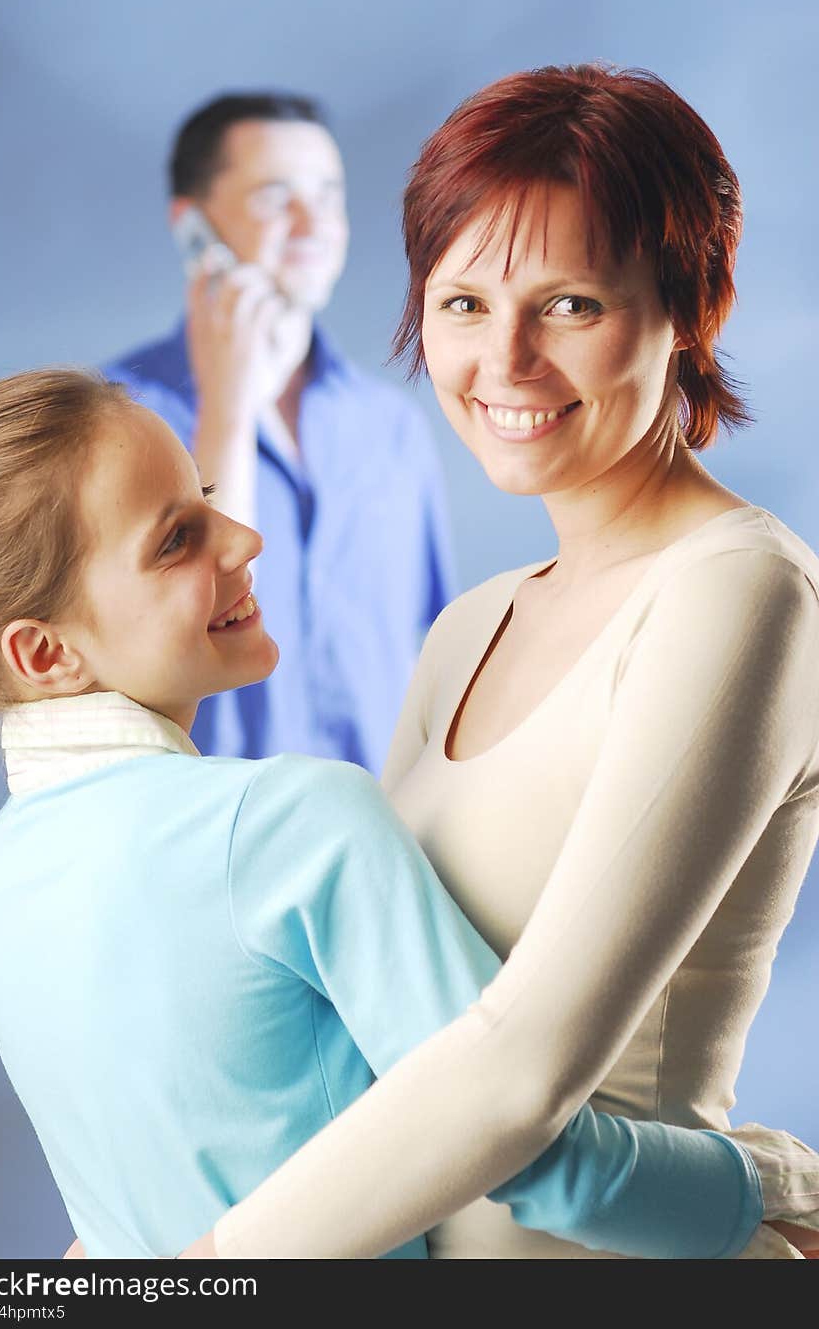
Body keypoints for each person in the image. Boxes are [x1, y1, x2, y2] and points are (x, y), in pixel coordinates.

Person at [171, 63, 819, 1260]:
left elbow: (519, 1075)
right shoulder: (467, 625)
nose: (505, 360)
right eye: (463, 303)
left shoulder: (741, 591)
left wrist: (201, 1276)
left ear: (692, 308)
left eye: (569, 304)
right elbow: (364, 1040)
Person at [0, 369, 808, 1260]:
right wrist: (771, 1186)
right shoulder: (286, 823)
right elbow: (544, 1162)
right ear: (44, 653)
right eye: (176, 540)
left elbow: (117, 1238)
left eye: (206, 495)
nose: (244, 537)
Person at [104, 92, 454, 772]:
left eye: (329, 196)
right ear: (192, 228)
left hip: (380, 834)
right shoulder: (116, 422)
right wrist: (230, 400)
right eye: (274, 197)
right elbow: (188, 608)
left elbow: (431, 650)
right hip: (217, 840)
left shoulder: (392, 428)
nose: (313, 223)